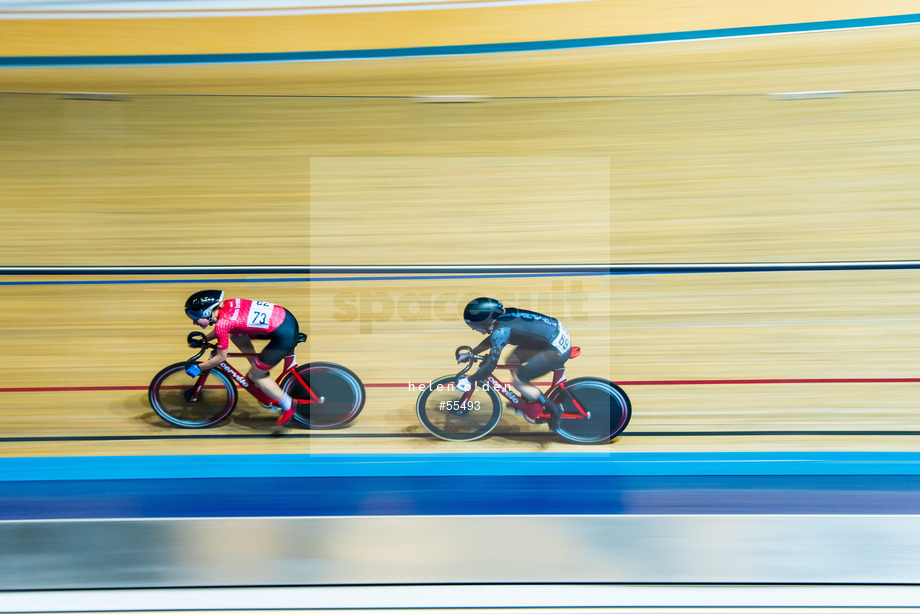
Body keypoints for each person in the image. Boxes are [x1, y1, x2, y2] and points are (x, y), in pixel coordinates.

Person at [184, 290, 300, 425]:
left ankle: (287, 405)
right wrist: (205, 339)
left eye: (195, 317)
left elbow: (221, 358)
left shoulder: (223, 324)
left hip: (283, 335)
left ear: (206, 312)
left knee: (257, 376)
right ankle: (257, 367)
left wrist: (199, 367)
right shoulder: (227, 305)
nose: (194, 322)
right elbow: (227, 326)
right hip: (285, 319)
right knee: (237, 335)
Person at [457, 297, 571, 428]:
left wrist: (469, 380)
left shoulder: (501, 332)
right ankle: (527, 398)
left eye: (474, 326)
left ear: (485, 322)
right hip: (551, 335)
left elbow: (490, 366)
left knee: (518, 382)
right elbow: (492, 339)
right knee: (512, 360)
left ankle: (554, 409)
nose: (473, 329)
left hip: (555, 350)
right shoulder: (502, 316)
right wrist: (473, 353)